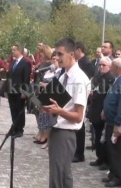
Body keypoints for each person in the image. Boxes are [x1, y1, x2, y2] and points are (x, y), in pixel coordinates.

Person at [43, 37, 90, 188]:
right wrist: (41, 102)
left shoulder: (79, 79)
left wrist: (59, 111)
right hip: (56, 129)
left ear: (71, 54)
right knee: (60, 174)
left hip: (66, 133)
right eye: (56, 54)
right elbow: (53, 103)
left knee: (59, 176)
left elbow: (78, 117)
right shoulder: (64, 76)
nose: (56, 57)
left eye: (60, 54)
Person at [102, 58, 121, 187]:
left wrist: (119, 123)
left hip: (116, 122)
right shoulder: (118, 80)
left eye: (113, 67)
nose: (111, 69)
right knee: (111, 149)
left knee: (117, 151)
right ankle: (113, 173)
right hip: (110, 120)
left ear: (117, 69)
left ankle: (118, 177)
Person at [7, 44, 31, 138]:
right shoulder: (13, 62)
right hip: (11, 90)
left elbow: (26, 78)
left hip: (20, 91)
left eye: (14, 50)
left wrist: (24, 92)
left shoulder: (25, 63)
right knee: (13, 109)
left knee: (19, 110)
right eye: (12, 50)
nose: (12, 52)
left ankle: (20, 129)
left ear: (19, 51)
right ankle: (14, 127)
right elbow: (9, 76)